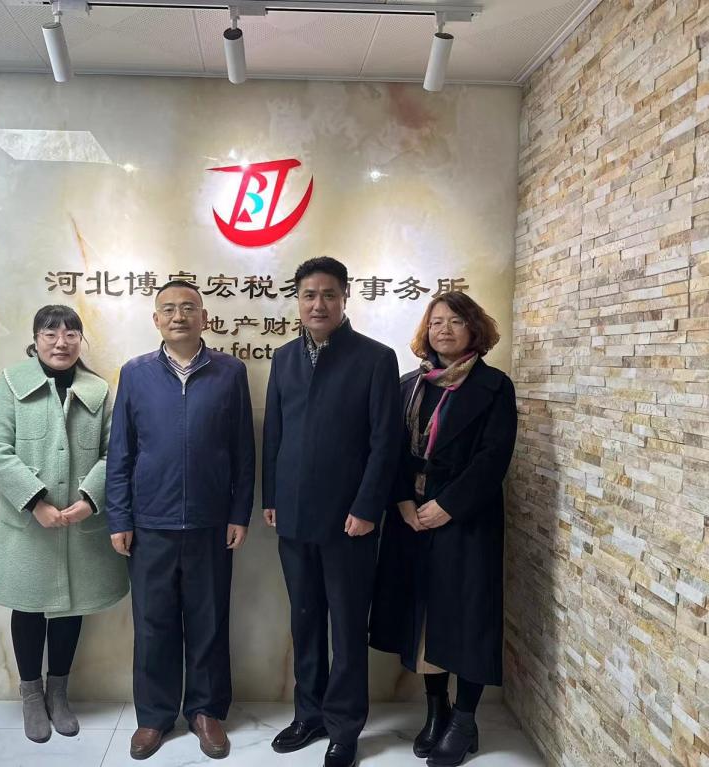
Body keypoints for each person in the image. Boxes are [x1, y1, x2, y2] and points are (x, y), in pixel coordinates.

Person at [106, 279, 255, 761]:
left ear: (204, 317)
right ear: (156, 320)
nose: (178, 316)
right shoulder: (135, 373)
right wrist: (119, 517)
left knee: (209, 622)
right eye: (168, 309)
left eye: (188, 308)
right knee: (153, 624)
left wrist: (239, 512)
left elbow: (243, 451)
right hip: (150, 522)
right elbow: (121, 452)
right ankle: (154, 716)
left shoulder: (230, 372)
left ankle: (206, 711)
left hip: (211, 522)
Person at [369, 291, 517, 767]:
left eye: (455, 321)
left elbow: (494, 456)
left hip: (467, 519)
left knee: (467, 617)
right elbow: (388, 449)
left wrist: (448, 505)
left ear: (474, 328)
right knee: (424, 619)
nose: (444, 330)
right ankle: (437, 711)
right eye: (436, 322)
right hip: (411, 517)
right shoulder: (408, 384)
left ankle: (465, 720)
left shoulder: (494, 386)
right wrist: (403, 500)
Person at [262, 257, 401, 767]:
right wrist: (271, 497)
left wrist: (367, 507)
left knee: (345, 627)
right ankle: (310, 714)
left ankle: (344, 726)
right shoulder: (284, 357)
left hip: (350, 522)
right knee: (304, 622)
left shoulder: (375, 358)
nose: (317, 304)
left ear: (344, 298)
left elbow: (386, 442)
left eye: (328, 294)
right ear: (298, 301)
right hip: (294, 516)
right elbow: (274, 432)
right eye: (308, 295)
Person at [0, 304, 129, 744]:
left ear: (81, 340)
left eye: (70, 334)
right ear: (36, 340)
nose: (61, 343)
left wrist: (89, 500)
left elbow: (115, 452)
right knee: (28, 606)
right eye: (50, 334)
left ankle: (58, 693)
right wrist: (36, 503)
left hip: (80, 522)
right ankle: (31, 695)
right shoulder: (12, 383)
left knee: (71, 607)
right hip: (29, 523)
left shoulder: (98, 390)